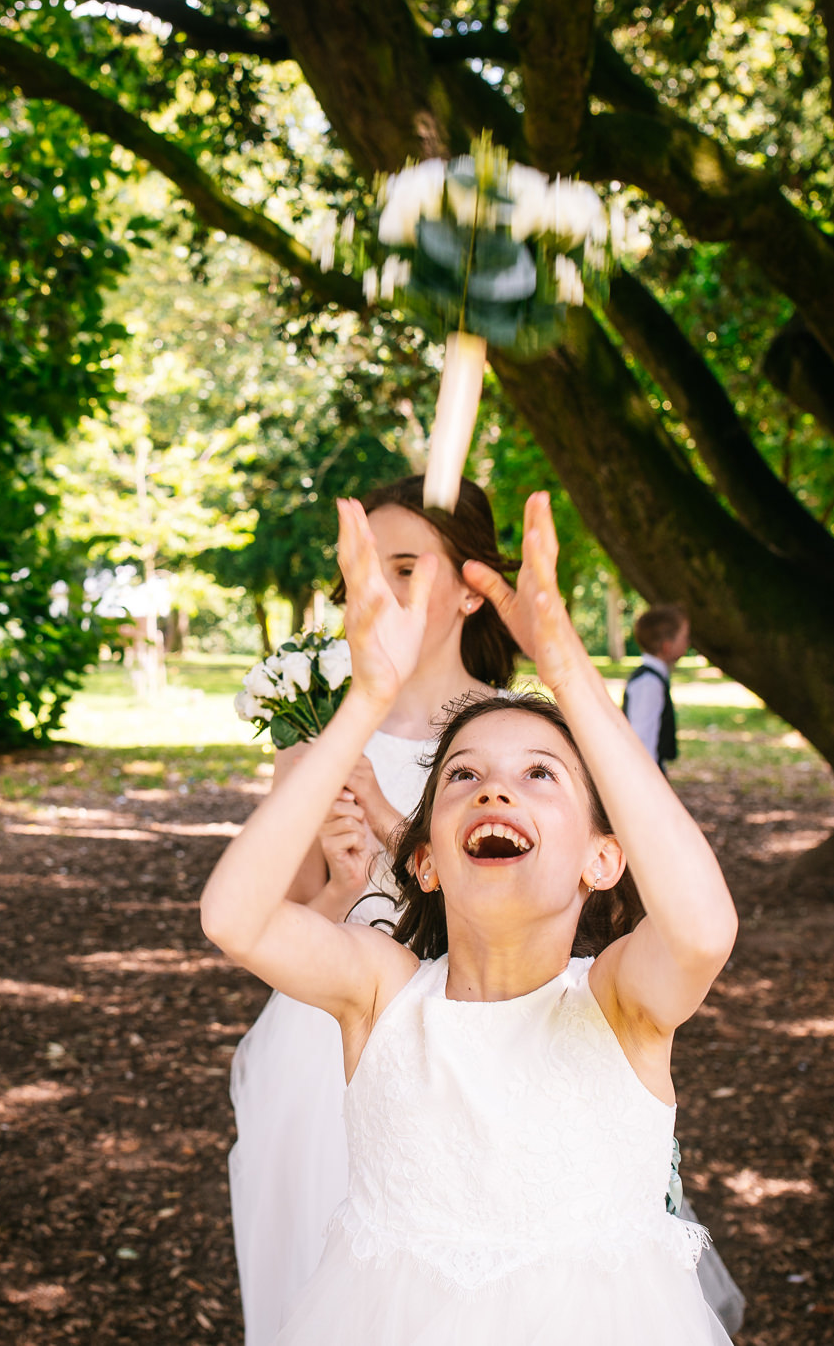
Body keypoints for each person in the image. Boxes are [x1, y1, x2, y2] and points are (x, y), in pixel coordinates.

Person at [203, 493, 739, 1345]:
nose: (496, 788)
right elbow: (235, 917)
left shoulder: (619, 1006)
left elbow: (704, 929)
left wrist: (566, 666)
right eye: (461, 776)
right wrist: (364, 698)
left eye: (540, 775)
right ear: (423, 858)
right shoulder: (379, 997)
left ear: (604, 858)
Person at [227, 475, 516, 1346]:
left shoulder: (513, 734)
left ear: (471, 586)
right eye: (365, 570)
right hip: (324, 1052)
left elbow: (536, 916)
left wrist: (396, 832)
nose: (380, 592)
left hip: (474, 1037)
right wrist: (345, 885)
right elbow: (266, 924)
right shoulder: (319, 736)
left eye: (406, 566)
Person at [622, 604, 690, 771]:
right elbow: (642, 739)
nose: (688, 642)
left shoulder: (655, 678)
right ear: (667, 646)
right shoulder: (648, 683)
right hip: (645, 774)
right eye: (685, 637)